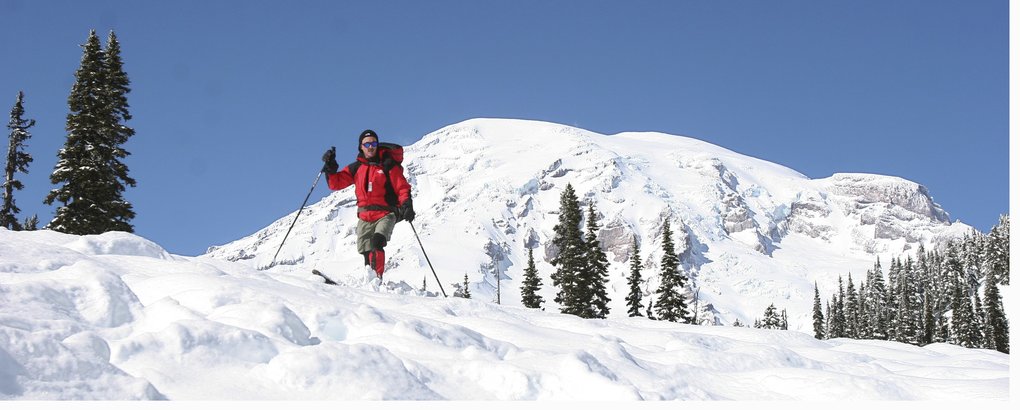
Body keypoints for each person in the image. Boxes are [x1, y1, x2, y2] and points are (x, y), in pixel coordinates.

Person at [321, 129, 414, 281]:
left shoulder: (388, 165)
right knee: (365, 249)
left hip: (386, 213)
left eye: (373, 143)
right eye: (367, 144)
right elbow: (335, 183)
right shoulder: (357, 168)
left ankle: (376, 280)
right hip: (365, 216)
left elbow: (402, 187)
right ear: (361, 147)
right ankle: (368, 280)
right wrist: (330, 168)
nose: (370, 147)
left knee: (378, 242)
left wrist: (407, 204)